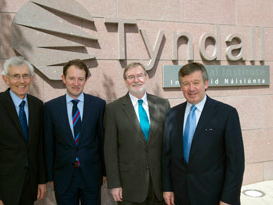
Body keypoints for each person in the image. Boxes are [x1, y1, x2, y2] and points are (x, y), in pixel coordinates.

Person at [162, 62, 245, 205]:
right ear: (181, 87)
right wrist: (167, 188)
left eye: (196, 82)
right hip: (180, 195)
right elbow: (166, 156)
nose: (191, 88)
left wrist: (228, 198)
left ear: (206, 83)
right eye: (186, 83)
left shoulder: (226, 114)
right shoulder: (172, 114)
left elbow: (236, 162)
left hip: (213, 196)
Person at [0, 56, 47, 205]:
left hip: (29, 187)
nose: (21, 81)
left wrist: (41, 180)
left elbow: (38, 147)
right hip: (3, 190)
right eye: (16, 76)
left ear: (31, 79)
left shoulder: (37, 106)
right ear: (5, 79)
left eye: (25, 76)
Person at [104, 62, 170, 204]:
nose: (136, 80)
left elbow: (168, 147)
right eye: (131, 77)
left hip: (158, 185)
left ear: (146, 77)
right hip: (129, 186)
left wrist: (169, 185)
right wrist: (114, 184)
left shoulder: (163, 105)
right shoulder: (113, 110)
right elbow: (110, 150)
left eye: (140, 75)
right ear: (125, 81)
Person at [44, 59, 106, 205]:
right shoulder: (50, 108)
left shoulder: (98, 105)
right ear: (63, 79)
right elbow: (48, 144)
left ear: (86, 80)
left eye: (80, 79)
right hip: (63, 176)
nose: (76, 83)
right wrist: (50, 176)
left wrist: (105, 172)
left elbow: (103, 140)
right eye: (71, 78)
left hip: (91, 175)